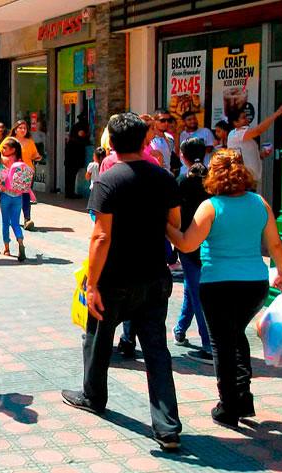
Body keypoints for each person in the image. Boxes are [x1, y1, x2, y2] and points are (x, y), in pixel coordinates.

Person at [61, 112, 183, 452]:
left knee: (98, 338)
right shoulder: (164, 178)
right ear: (145, 141)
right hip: (154, 276)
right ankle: (167, 427)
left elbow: (101, 236)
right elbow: (174, 224)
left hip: (115, 278)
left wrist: (91, 284)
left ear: (111, 143)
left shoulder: (109, 180)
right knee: (156, 350)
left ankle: (93, 396)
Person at [167, 149, 282, 427]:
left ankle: (229, 406)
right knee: (236, 336)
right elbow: (275, 243)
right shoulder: (259, 203)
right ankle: (243, 397)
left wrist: (166, 227)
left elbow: (187, 243)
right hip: (254, 285)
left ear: (214, 174)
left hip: (218, 285)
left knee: (223, 344)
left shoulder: (211, 207)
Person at [171, 137, 213, 363]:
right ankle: (180, 328)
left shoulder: (182, 182)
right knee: (192, 286)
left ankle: (208, 345)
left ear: (183, 156)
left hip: (187, 242)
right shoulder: (212, 179)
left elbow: (176, 216)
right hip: (209, 242)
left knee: (197, 293)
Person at [226, 104, 282, 191]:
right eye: (243, 118)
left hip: (248, 180)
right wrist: (277, 113)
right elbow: (258, 130)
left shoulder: (237, 135)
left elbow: (245, 155)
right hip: (243, 181)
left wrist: (261, 155)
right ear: (235, 123)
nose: (247, 119)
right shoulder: (236, 134)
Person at [0, 138, 32, 262]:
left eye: (5, 148)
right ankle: (20, 242)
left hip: (5, 194)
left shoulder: (4, 160)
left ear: (12, 150)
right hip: (18, 196)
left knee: (5, 222)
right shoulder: (20, 161)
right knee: (15, 222)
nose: (2, 149)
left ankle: (6, 249)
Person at [8, 120, 41, 230]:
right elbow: (1, 153)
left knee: (26, 195)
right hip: (13, 172)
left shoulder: (29, 142)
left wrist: (37, 157)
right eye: (20, 128)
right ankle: (12, 217)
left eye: (25, 128)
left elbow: (35, 154)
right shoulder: (9, 141)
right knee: (13, 195)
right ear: (15, 129)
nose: (23, 130)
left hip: (27, 172)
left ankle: (27, 219)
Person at [64, 117, 91, 199]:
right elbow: (81, 135)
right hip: (73, 155)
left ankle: (69, 192)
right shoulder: (80, 127)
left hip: (70, 154)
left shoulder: (75, 126)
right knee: (71, 174)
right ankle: (70, 193)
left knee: (69, 174)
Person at [149, 110, 178, 175]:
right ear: (154, 121)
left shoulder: (170, 138)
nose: (166, 123)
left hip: (167, 175)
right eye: (162, 120)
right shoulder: (149, 138)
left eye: (169, 120)